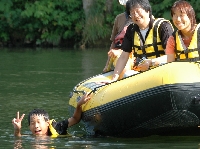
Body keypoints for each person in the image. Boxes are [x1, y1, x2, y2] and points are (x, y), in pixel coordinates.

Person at [109, 0, 174, 81]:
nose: (136, 15)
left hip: (162, 70)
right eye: (132, 13)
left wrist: (151, 62)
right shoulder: (131, 30)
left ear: (148, 11)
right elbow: (124, 56)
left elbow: (172, 55)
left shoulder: (163, 26)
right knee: (127, 74)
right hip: (143, 73)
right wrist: (113, 79)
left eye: (138, 11)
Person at [12, 93, 91, 137]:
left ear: (47, 123)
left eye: (39, 122)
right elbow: (18, 137)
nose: (36, 126)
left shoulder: (57, 127)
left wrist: (79, 105)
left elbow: (75, 119)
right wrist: (17, 129)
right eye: (32, 123)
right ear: (29, 127)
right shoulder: (32, 137)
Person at [103, 0, 133, 76]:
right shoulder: (119, 18)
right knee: (123, 67)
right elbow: (114, 42)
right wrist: (107, 65)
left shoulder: (142, 18)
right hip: (119, 55)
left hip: (135, 54)